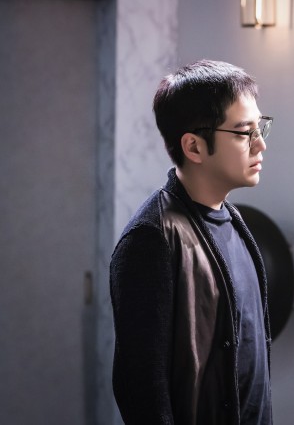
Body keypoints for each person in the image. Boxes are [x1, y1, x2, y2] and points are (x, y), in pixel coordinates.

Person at [110, 59, 273, 424]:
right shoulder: (151, 238)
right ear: (194, 147)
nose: (261, 144)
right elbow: (141, 389)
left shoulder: (235, 222)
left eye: (260, 127)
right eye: (244, 133)